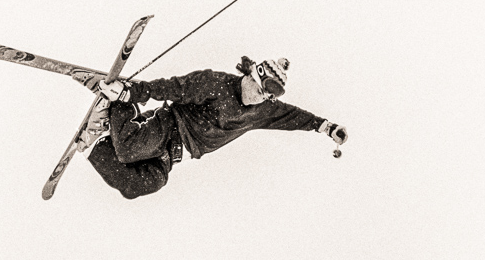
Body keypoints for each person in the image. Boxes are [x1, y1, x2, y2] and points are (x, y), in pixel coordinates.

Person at [80, 56, 348, 200]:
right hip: (170, 126)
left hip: (174, 154)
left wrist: (326, 127)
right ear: (250, 76)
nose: (257, 99)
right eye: (257, 90)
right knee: (129, 149)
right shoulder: (215, 84)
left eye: (264, 97)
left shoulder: (262, 110)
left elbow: (293, 116)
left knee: (143, 184)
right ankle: (116, 106)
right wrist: (130, 93)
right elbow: (172, 88)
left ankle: (94, 145)